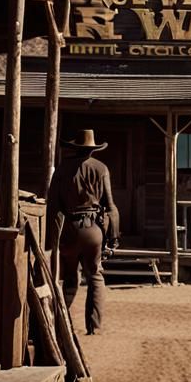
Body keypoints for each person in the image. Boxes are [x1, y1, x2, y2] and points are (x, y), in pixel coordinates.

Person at [47, 129, 120, 336]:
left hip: (69, 229)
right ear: (92, 149)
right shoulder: (101, 168)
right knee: (95, 276)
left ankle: (58, 323)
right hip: (93, 231)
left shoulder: (62, 170)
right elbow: (110, 205)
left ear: (75, 147)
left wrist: (51, 238)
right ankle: (94, 326)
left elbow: (53, 205)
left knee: (70, 279)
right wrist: (113, 237)